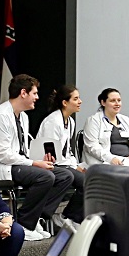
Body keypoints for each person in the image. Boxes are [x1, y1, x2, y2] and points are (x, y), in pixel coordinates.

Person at [0, 74, 74, 241]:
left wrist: (40, 159)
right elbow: (3, 154)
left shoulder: (23, 116)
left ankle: (37, 217)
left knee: (65, 176)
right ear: (23, 93)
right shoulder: (0, 116)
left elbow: (22, 150)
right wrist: (33, 163)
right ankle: (24, 222)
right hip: (0, 166)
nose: (37, 97)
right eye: (34, 93)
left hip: (17, 164)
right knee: (45, 177)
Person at [82, 87, 129, 207]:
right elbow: (92, 146)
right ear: (103, 102)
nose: (117, 104)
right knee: (125, 178)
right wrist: (111, 158)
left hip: (128, 160)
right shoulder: (94, 121)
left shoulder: (125, 120)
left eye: (119, 100)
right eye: (113, 101)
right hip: (107, 161)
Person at [34, 84, 86, 223]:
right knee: (83, 181)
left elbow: (67, 150)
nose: (80, 101)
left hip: (63, 163)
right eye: (75, 99)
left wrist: (75, 165)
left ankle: (70, 217)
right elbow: (52, 154)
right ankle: (62, 216)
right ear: (65, 102)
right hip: (48, 162)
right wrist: (73, 167)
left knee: (89, 179)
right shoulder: (53, 121)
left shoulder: (70, 122)